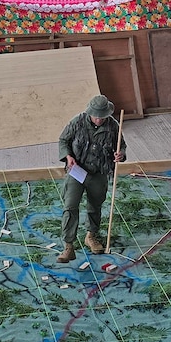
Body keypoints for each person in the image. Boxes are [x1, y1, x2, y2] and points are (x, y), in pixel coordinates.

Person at [56, 95, 125, 263]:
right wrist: (67, 156)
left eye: (102, 117)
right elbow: (63, 140)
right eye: (96, 116)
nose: (99, 120)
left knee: (95, 206)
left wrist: (120, 154)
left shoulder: (113, 125)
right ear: (90, 113)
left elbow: (121, 145)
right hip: (77, 170)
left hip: (99, 172)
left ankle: (91, 236)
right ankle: (68, 246)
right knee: (70, 206)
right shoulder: (77, 122)